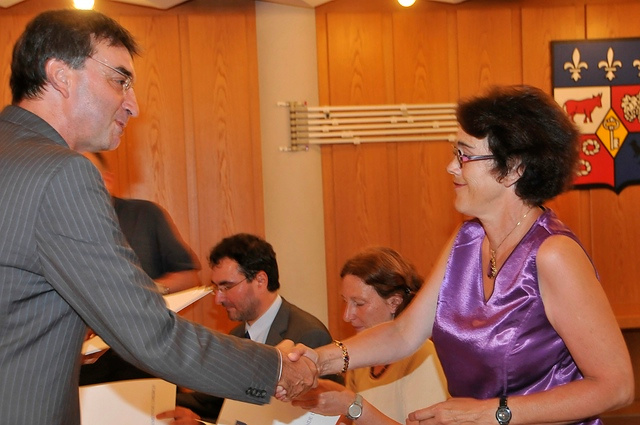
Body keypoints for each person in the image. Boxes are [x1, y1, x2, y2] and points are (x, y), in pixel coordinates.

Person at [0, 10, 315, 425]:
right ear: (61, 75)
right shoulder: (62, 173)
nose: (133, 104)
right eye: (120, 80)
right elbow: (150, 333)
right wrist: (274, 368)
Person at [288, 85, 635, 425]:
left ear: (514, 169)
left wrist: (493, 413)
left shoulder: (553, 254)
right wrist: (319, 360)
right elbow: (404, 333)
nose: (451, 167)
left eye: (464, 156)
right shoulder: (467, 239)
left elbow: (617, 386)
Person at [157, 233, 342, 424]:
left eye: (226, 287)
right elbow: (213, 402)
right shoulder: (237, 335)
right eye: (216, 288)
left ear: (260, 280)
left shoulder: (308, 335)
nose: (218, 299)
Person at [80, 151, 201, 385]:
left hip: (148, 355)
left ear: (108, 179)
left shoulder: (145, 215)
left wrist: (146, 290)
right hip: (86, 363)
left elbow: (189, 277)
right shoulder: (60, 227)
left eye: (88, 174)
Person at [292, 247, 448, 425]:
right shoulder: (360, 356)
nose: (347, 316)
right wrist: (333, 394)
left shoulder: (424, 356)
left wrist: (352, 405)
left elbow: (358, 410)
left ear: (394, 303)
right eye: (345, 302)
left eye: (359, 303)